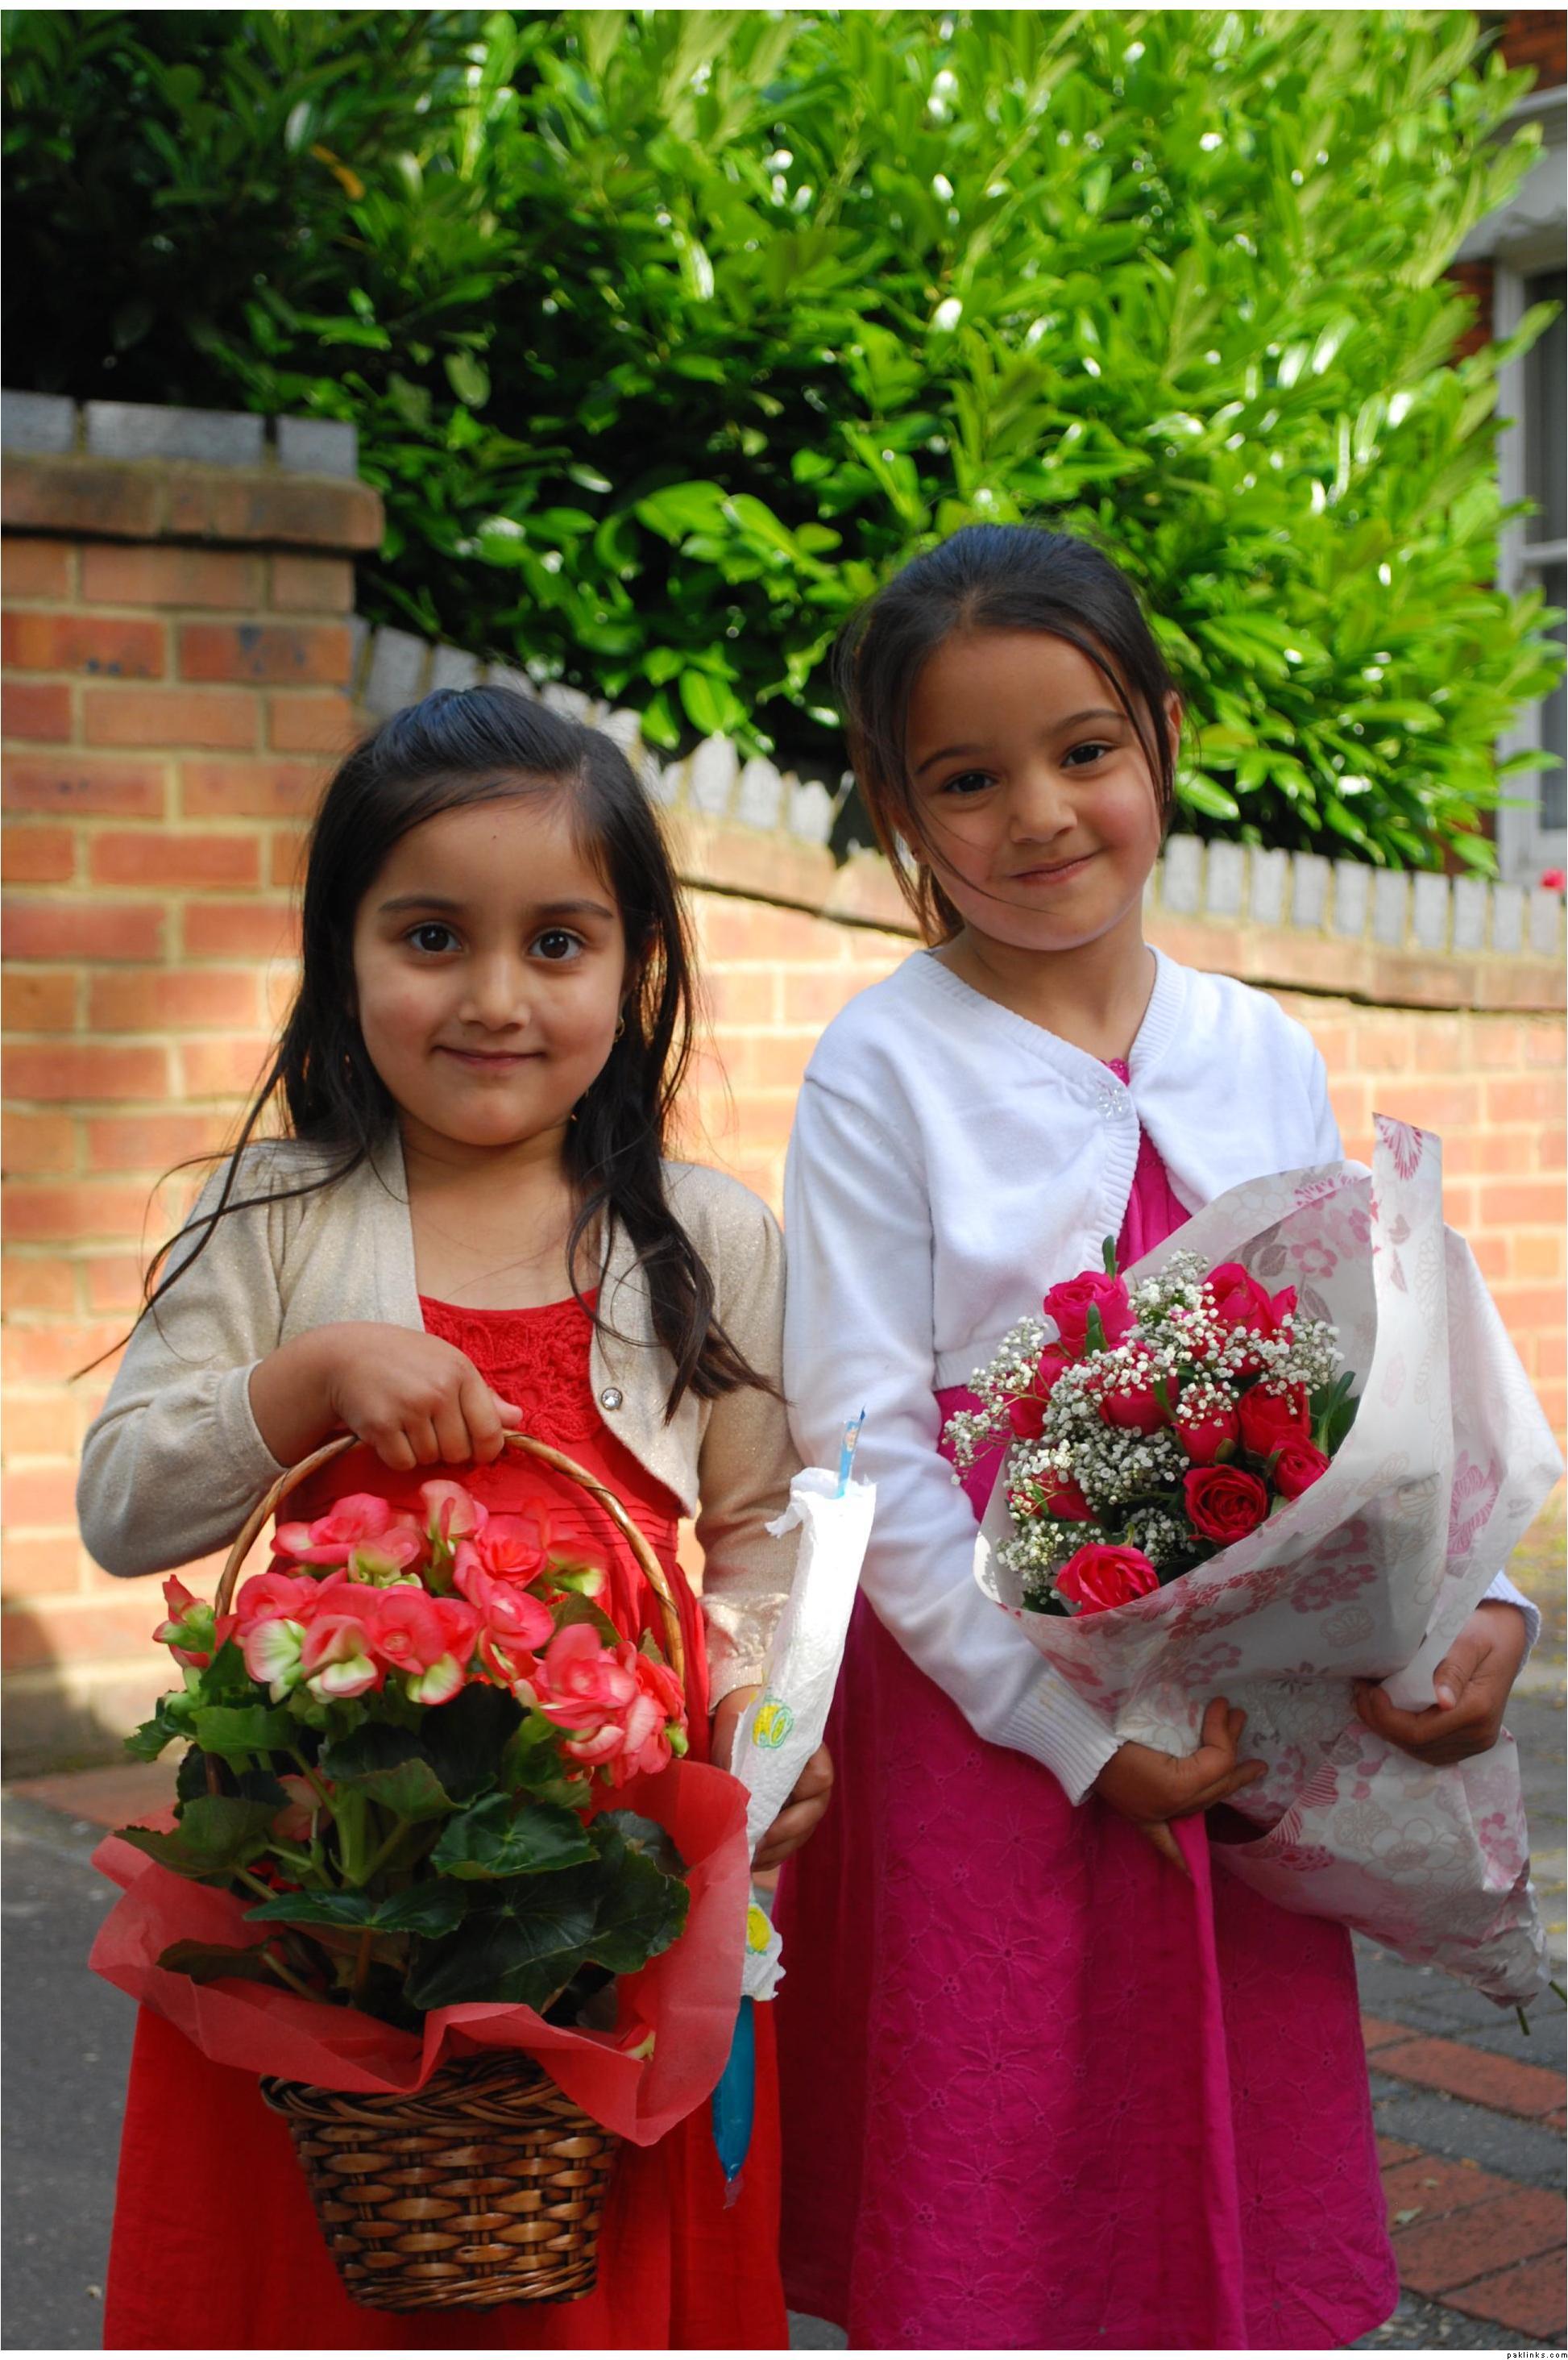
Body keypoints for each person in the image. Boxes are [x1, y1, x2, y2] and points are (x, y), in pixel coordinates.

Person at [772, 524, 1539, 2351]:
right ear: (894, 800)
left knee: (1226, 2144)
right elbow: (862, 1434)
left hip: (1238, 1703)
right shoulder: (881, 1066)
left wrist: (1480, 1605)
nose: (1038, 814)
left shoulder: (1255, 1047)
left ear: (1163, 736)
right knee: (1006, 2132)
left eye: (1084, 750)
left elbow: (1371, 1378)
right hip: (985, 1717)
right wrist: (1057, 1727)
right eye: (967, 779)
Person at [77, 685, 831, 2353]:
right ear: (341, 956)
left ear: (634, 969)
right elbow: (123, 1506)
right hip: (327, 1876)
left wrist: (756, 1721)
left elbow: (759, 1529)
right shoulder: (266, 1220)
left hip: (605, 1874)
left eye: (557, 943)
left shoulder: (706, 1237)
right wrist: (306, 1381)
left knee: (591, 2278)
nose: (495, 997)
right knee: (320, 2259)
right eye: (431, 936)